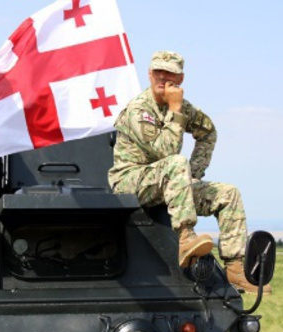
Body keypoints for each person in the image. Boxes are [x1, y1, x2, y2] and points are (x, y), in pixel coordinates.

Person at [108, 50, 272, 295]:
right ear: (149, 74)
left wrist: (193, 174)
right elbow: (166, 152)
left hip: (168, 182)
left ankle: (235, 269)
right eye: (158, 72)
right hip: (130, 181)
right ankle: (186, 237)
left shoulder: (183, 108)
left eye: (170, 73)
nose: (163, 78)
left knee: (228, 194)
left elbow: (208, 132)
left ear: (180, 78)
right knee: (175, 162)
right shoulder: (138, 110)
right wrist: (176, 110)